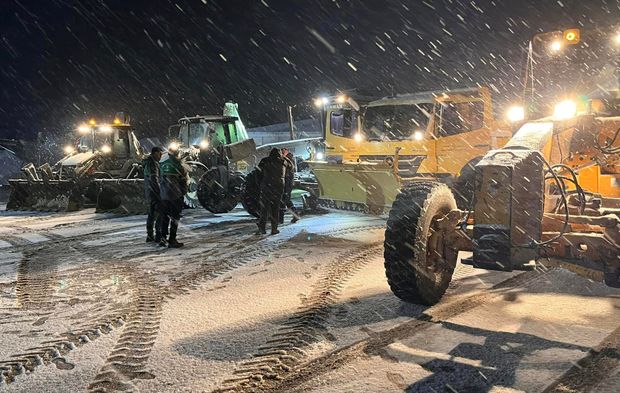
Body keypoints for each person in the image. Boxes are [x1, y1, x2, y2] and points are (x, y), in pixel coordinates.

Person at [159, 147, 188, 248]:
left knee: (164, 217)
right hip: (175, 196)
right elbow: (183, 181)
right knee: (175, 218)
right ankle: (172, 239)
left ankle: (162, 238)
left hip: (163, 196)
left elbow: (159, 179)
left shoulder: (162, 164)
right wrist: (183, 192)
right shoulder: (179, 165)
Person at [257, 148, 288, 235]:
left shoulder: (265, 161)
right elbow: (290, 169)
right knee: (275, 209)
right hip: (278, 187)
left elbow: (258, 173)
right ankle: (274, 229)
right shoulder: (283, 162)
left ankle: (262, 228)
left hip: (267, 186)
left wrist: (260, 184)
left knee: (264, 209)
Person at [144, 146, 164, 243]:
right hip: (155, 193)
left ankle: (150, 235)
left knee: (151, 214)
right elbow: (154, 179)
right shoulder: (153, 163)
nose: (161, 156)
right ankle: (158, 235)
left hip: (149, 192)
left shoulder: (148, 162)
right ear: (155, 153)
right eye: (160, 154)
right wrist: (160, 192)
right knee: (160, 213)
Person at [280, 148, 299, 224]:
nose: (281, 153)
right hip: (287, 183)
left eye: (283, 152)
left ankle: (281, 219)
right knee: (285, 200)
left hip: (287, 183)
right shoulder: (288, 160)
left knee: (283, 200)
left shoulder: (288, 160)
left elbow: (288, 172)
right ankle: (295, 215)